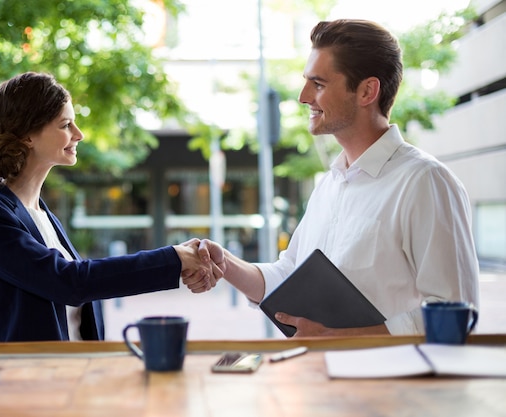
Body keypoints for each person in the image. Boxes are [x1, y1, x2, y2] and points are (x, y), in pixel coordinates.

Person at [200, 19, 479, 337]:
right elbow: (289, 275)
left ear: (367, 91)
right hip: (322, 381)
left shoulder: (425, 182)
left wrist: (340, 339)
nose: (304, 96)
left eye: (318, 84)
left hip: (394, 385)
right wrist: (226, 265)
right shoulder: (330, 185)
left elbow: (456, 312)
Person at [0, 72, 217, 343]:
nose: (78, 134)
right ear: (27, 135)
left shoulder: (44, 216)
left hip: (77, 369)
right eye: (65, 125)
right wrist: (172, 259)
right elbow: (70, 282)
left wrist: (181, 259)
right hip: (30, 378)